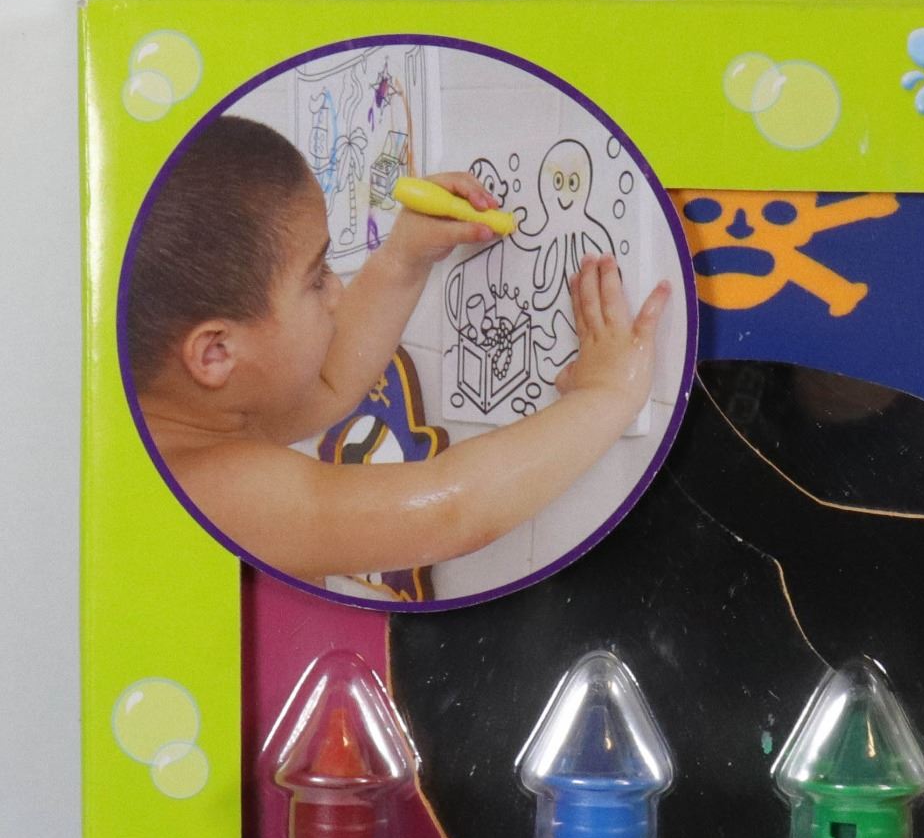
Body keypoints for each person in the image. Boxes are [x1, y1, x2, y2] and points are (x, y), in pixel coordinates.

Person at [125, 115, 668, 584]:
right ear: (215, 353)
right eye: (316, 278)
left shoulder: (189, 413)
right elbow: (449, 511)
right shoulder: (211, 491)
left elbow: (331, 384)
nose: (336, 293)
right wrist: (607, 395)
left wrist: (404, 259)